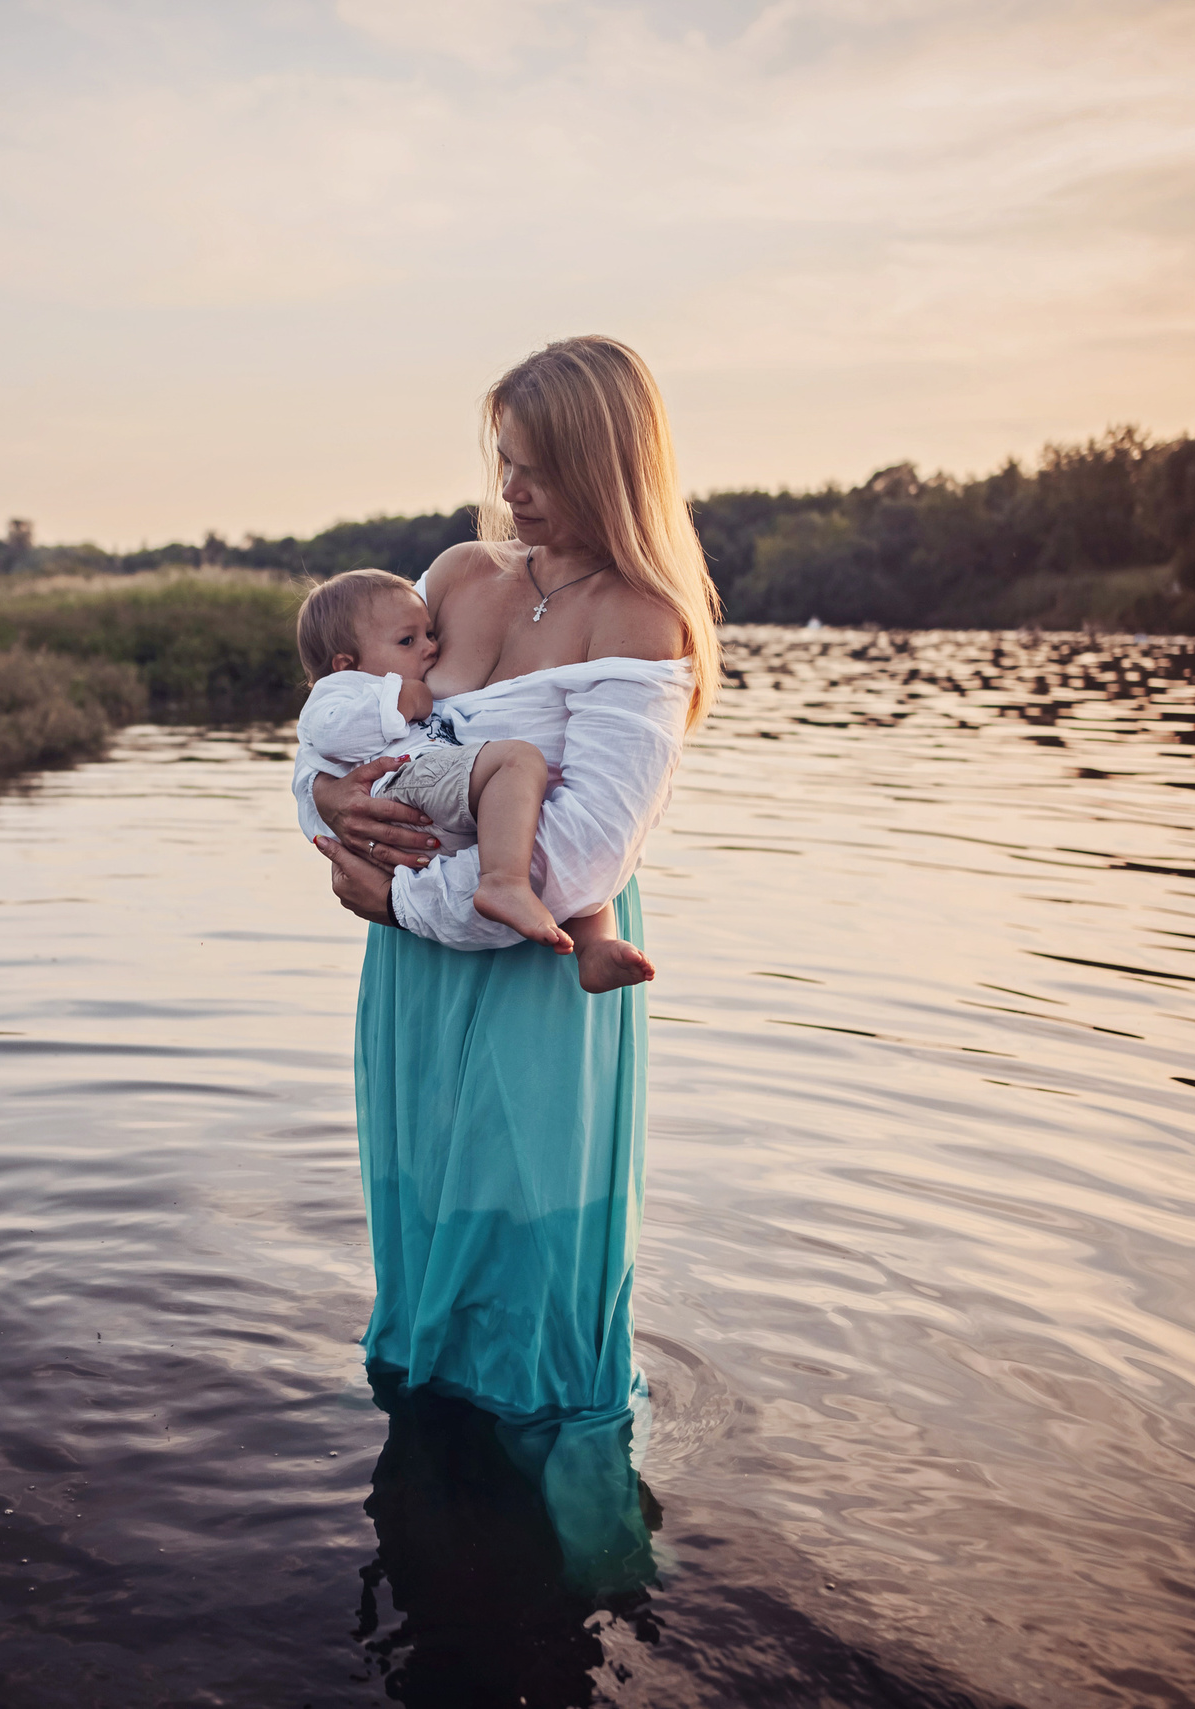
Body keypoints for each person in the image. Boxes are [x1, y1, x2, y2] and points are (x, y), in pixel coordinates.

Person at [295, 335, 721, 1592]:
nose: (512, 492)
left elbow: (574, 861)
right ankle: (437, 1508)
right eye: (505, 462)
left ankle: (590, 1560)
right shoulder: (456, 576)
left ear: (608, 463)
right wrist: (329, 829)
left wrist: (392, 895)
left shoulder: (641, 619)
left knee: (531, 1255)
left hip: (537, 966)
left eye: (539, 468)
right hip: (416, 960)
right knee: (428, 1226)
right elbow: (355, 737)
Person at [292, 567, 658, 994]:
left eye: (429, 634)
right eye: (408, 641)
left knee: (542, 823)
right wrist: (396, 702)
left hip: (434, 795)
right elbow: (326, 735)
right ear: (344, 664)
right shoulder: (342, 688)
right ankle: (503, 883)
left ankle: (594, 945)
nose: (431, 648)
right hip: (404, 783)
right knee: (517, 761)